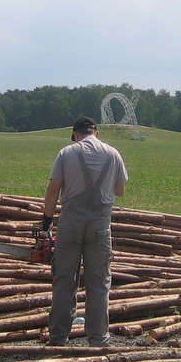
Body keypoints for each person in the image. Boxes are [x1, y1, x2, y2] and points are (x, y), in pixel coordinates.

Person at [42, 117, 128, 346]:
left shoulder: (66, 153)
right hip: (100, 226)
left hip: (70, 224)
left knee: (64, 280)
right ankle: (98, 339)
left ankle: (58, 337)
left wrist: (46, 223)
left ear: (76, 134)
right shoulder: (113, 154)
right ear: (96, 133)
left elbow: (53, 191)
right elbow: (119, 191)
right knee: (99, 282)